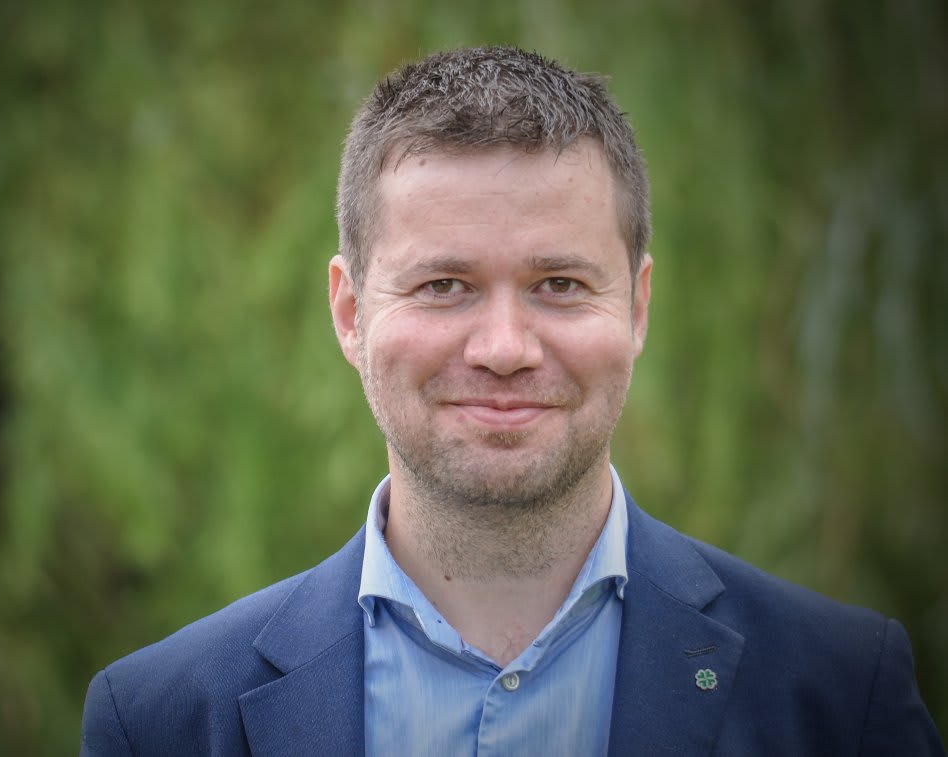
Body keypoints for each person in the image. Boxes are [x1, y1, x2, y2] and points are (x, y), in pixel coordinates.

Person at [80, 46, 943, 756]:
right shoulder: (161, 721)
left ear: (638, 308)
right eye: (444, 284)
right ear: (349, 313)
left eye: (559, 284)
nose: (503, 348)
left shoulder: (841, 696)